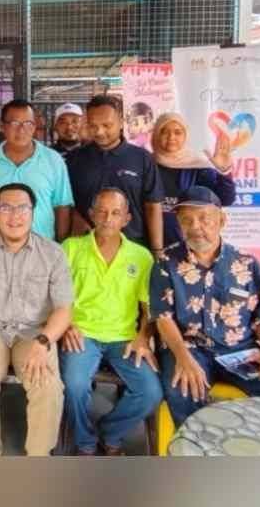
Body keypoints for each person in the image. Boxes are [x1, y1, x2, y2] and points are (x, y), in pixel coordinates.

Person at [150, 186, 260, 426]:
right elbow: (163, 317)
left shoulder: (246, 263)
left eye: (204, 219)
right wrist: (184, 358)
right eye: (187, 220)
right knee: (182, 393)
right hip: (188, 347)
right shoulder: (166, 262)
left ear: (222, 220)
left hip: (238, 349)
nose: (196, 227)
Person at [0, 183, 74, 456]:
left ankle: (36, 460)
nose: (15, 216)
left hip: (34, 333)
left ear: (34, 212)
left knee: (48, 387)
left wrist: (43, 342)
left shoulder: (53, 253)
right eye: (6, 208)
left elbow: (63, 309)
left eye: (22, 208)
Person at [59, 188, 162, 456]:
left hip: (124, 338)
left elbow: (147, 307)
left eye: (116, 213)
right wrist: (67, 325)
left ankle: (110, 432)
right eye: (102, 212)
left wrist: (143, 336)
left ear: (126, 218)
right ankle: (84, 442)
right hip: (81, 333)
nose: (108, 218)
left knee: (150, 391)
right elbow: (56, 296)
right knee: (75, 385)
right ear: (92, 215)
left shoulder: (141, 257)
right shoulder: (71, 248)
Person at [66, 94, 165, 251]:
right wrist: (76, 219)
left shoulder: (142, 158)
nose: (99, 132)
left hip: (134, 248)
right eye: (93, 126)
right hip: (87, 248)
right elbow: (67, 203)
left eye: (107, 125)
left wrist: (157, 250)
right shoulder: (75, 159)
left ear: (121, 122)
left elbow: (153, 206)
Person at [0, 99, 73, 241]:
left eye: (28, 123)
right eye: (15, 123)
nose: (21, 129)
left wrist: (60, 247)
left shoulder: (53, 160)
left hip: (41, 251)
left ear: (34, 126)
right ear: (2, 126)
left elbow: (62, 207)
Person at [151, 112, 237, 249]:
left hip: (188, 246)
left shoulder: (197, 167)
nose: (171, 137)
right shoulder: (146, 165)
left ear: (185, 136)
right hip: (149, 246)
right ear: (156, 135)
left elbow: (226, 199)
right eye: (164, 132)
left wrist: (223, 171)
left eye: (177, 132)